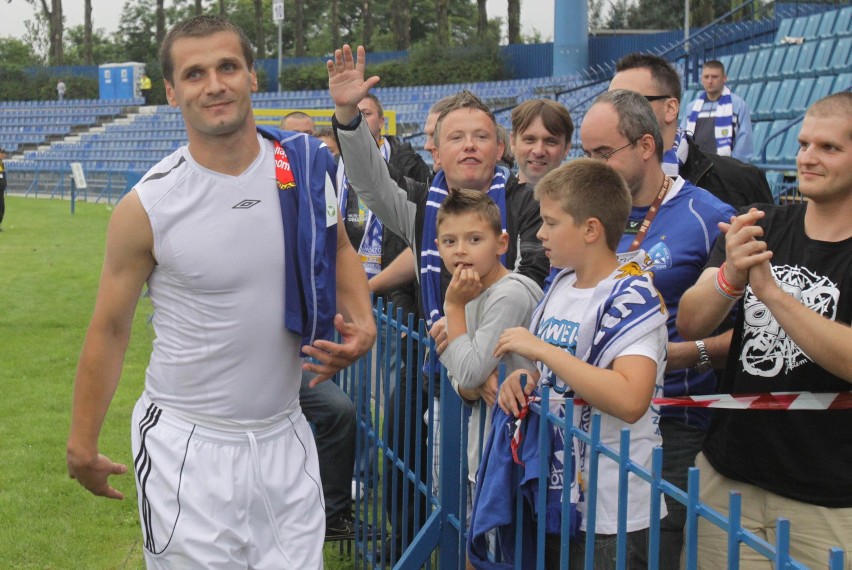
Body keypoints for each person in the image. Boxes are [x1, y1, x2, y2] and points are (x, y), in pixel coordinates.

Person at [65, 15, 375, 569]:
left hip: (286, 436)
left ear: (253, 77)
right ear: (171, 91)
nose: (214, 84)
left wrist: (363, 321)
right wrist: (82, 443)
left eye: (228, 66)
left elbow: (337, 248)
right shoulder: (148, 207)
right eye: (195, 73)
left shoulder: (304, 165)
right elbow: (110, 329)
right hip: (188, 447)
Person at [328, 44, 549, 561]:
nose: (469, 146)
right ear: (437, 152)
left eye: (481, 137)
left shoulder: (531, 204)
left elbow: (535, 282)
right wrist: (346, 115)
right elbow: (370, 182)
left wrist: (485, 360)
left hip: (516, 387)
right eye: (456, 137)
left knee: (510, 519)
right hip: (446, 378)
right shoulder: (420, 209)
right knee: (451, 501)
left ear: (501, 150)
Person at [676, 92, 852, 570]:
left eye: (829, 148)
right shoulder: (763, 222)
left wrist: (773, 294)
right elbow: (691, 320)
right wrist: (732, 276)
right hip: (728, 474)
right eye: (803, 143)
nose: (808, 158)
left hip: (829, 499)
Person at [608, 52, 771, 566]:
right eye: (612, 101)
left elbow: (758, 324)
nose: (620, 111)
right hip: (610, 410)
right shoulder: (600, 196)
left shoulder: (731, 187)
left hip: (690, 417)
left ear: (670, 109)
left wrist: (688, 352)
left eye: (634, 102)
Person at [471, 158, 668, 568]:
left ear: (591, 229)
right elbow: (552, 376)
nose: (540, 233)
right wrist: (523, 379)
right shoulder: (560, 282)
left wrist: (544, 353)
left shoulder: (630, 296)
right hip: (558, 492)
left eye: (551, 222)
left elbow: (631, 398)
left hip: (612, 507)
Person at [578, 88, 737, 564]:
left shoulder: (707, 215)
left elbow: (749, 333)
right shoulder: (587, 213)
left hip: (671, 420)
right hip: (591, 412)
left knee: (651, 552)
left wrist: (692, 352)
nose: (592, 165)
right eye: (585, 153)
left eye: (603, 153)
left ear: (646, 146)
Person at [436, 187, 542, 523]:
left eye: (474, 239)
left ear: (502, 243)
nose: (461, 251)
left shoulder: (506, 295)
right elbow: (463, 379)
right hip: (486, 447)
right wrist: (471, 380)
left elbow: (465, 368)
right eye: (449, 241)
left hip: (514, 455)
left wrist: (452, 310)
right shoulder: (470, 290)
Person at [611, 53, 772, 210]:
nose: (612, 114)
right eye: (609, 102)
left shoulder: (741, 181)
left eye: (630, 101)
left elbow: (744, 143)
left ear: (670, 108)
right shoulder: (603, 182)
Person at [681, 59, 754, 163]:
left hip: (725, 171)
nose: (710, 81)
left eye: (714, 77)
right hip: (697, 170)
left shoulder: (738, 105)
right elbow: (684, 139)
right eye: (706, 77)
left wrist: (733, 166)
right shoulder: (691, 108)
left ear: (724, 78)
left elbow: (744, 143)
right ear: (702, 79)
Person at [509, 98, 573, 188]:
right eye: (529, 140)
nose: (538, 151)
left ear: (566, 148)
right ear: (513, 142)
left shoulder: (585, 201)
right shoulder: (493, 199)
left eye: (550, 141)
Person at [0, 146, 6, 230]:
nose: (4, 155)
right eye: (2, 153)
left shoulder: (2, 163)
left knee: (2, 208)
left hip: (1, 190)